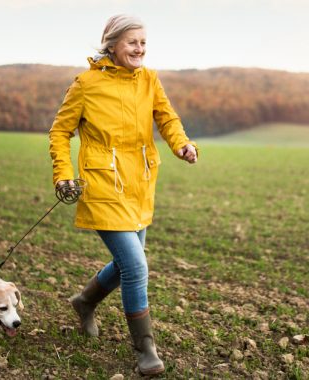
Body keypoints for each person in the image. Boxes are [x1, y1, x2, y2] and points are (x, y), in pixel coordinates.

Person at [48, 14, 198, 375]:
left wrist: (181, 145)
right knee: (135, 266)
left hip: (139, 183)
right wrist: (63, 174)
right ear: (112, 44)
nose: (140, 49)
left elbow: (167, 118)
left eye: (143, 43)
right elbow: (59, 132)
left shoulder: (149, 79)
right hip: (101, 185)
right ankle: (146, 348)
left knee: (127, 263)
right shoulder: (86, 84)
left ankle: (84, 302)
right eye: (133, 42)